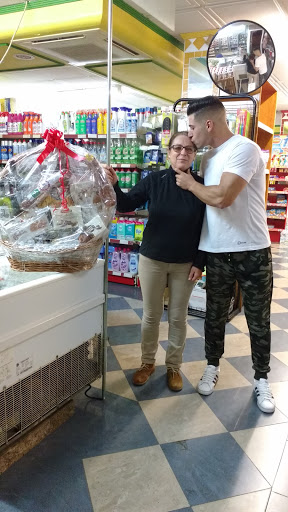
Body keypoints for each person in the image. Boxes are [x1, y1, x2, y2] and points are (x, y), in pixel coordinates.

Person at [175, 96, 275, 413]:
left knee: (258, 320)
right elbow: (207, 213)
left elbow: (221, 198)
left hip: (252, 251)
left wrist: (190, 184)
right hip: (218, 252)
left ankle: (261, 379)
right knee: (213, 317)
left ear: (209, 124)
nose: (189, 136)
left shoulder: (244, 149)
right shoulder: (208, 159)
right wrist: (199, 256)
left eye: (192, 128)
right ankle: (212, 365)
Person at [104, 132, 205, 392]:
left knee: (178, 317)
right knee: (151, 315)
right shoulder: (155, 179)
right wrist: (115, 184)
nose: (182, 153)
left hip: (186, 264)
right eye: (177, 148)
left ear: (194, 154)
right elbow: (125, 204)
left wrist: (200, 262)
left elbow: (209, 228)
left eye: (188, 149)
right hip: (152, 259)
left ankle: (173, 367)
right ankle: (147, 363)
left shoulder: (201, 185)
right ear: (168, 152)